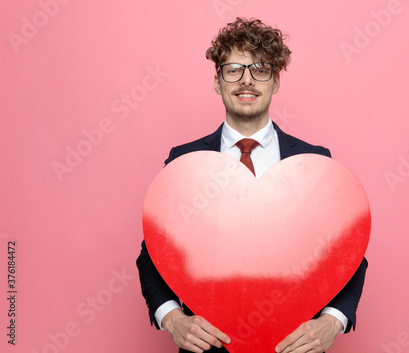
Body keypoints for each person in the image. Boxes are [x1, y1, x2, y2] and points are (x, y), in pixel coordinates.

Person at [137, 17, 367, 353]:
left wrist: (332, 321)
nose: (247, 80)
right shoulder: (183, 162)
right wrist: (173, 319)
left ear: (275, 81)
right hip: (207, 347)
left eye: (260, 69)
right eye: (233, 69)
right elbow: (153, 255)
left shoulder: (314, 162)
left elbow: (348, 253)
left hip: (294, 347)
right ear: (217, 81)